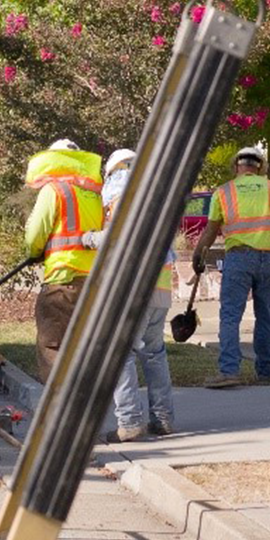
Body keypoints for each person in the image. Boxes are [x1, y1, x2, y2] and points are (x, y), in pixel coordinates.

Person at [191, 145, 270, 387]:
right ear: (260, 166)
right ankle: (265, 373)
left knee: (230, 317)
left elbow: (210, 230)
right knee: (266, 318)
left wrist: (198, 254)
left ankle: (229, 371)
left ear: (236, 166)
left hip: (239, 259)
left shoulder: (223, 192)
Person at [92, 148, 176, 441]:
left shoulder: (118, 184)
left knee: (120, 353)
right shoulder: (155, 187)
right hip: (162, 283)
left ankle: (129, 423)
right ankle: (163, 419)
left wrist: (88, 238)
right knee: (154, 353)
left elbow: (119, 233)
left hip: (133, 285)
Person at [21, 138, 104, 380]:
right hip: (91, 281)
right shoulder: (94, 196)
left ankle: (57, 411)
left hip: (62, 281)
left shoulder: (54, 190)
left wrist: (34, 253)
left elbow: (36, 234)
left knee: (53, 347)